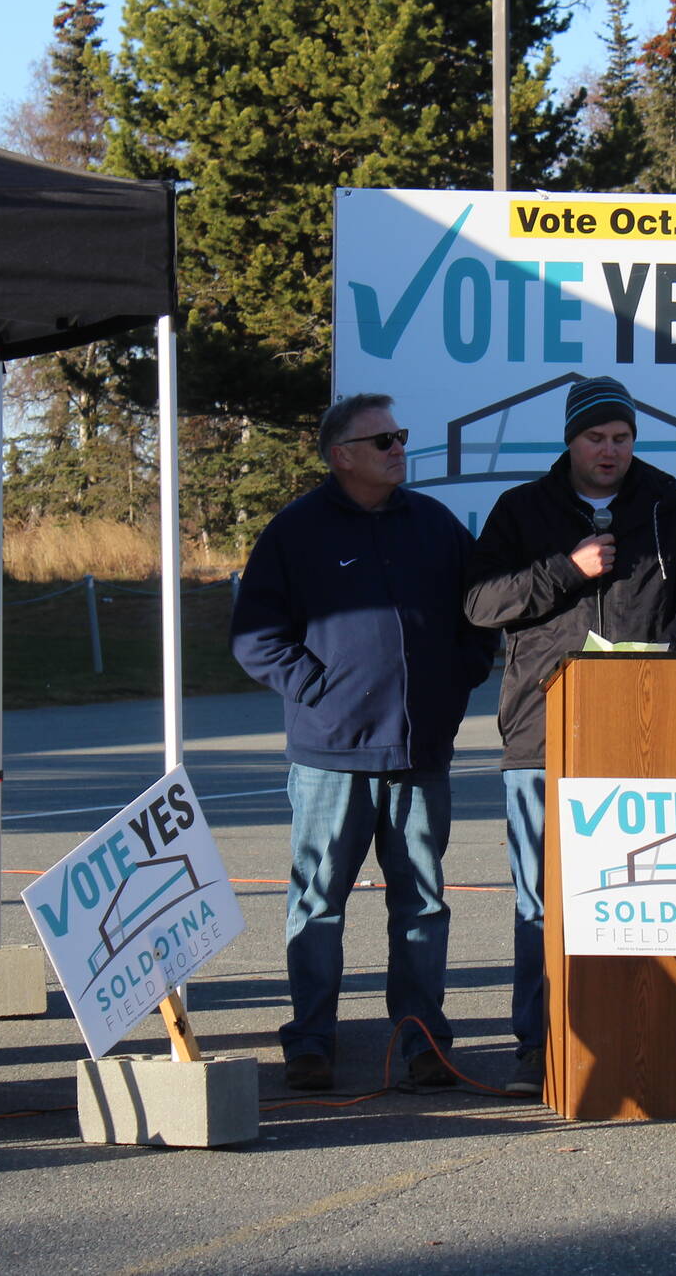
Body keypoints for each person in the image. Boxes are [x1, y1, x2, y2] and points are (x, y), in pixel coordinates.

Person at [464, 375, 676, 1092]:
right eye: (596, 437)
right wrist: (564, 570)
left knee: (641, 888)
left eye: (621, 438)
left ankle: (639, 1037)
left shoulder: (669, 505)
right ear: (570, 440)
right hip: (543, 734)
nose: (609, 451)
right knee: (541, 900)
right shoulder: (523, 509)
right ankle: (537, 1046)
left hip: (646, 730)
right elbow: (482, 601)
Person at [230, 394, 497, 1092]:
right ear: (340, 453)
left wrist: (456, 680)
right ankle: (312, 1039)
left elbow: (480, 617)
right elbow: (255, 635)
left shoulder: (435, 526)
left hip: (419, 753)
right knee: (318, 898)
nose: (398, 449)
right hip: (330, 756)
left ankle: (420, 1038)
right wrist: (316, 689)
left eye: (401, 437)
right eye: (382, 440)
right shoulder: (295, 532)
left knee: (422, 900)